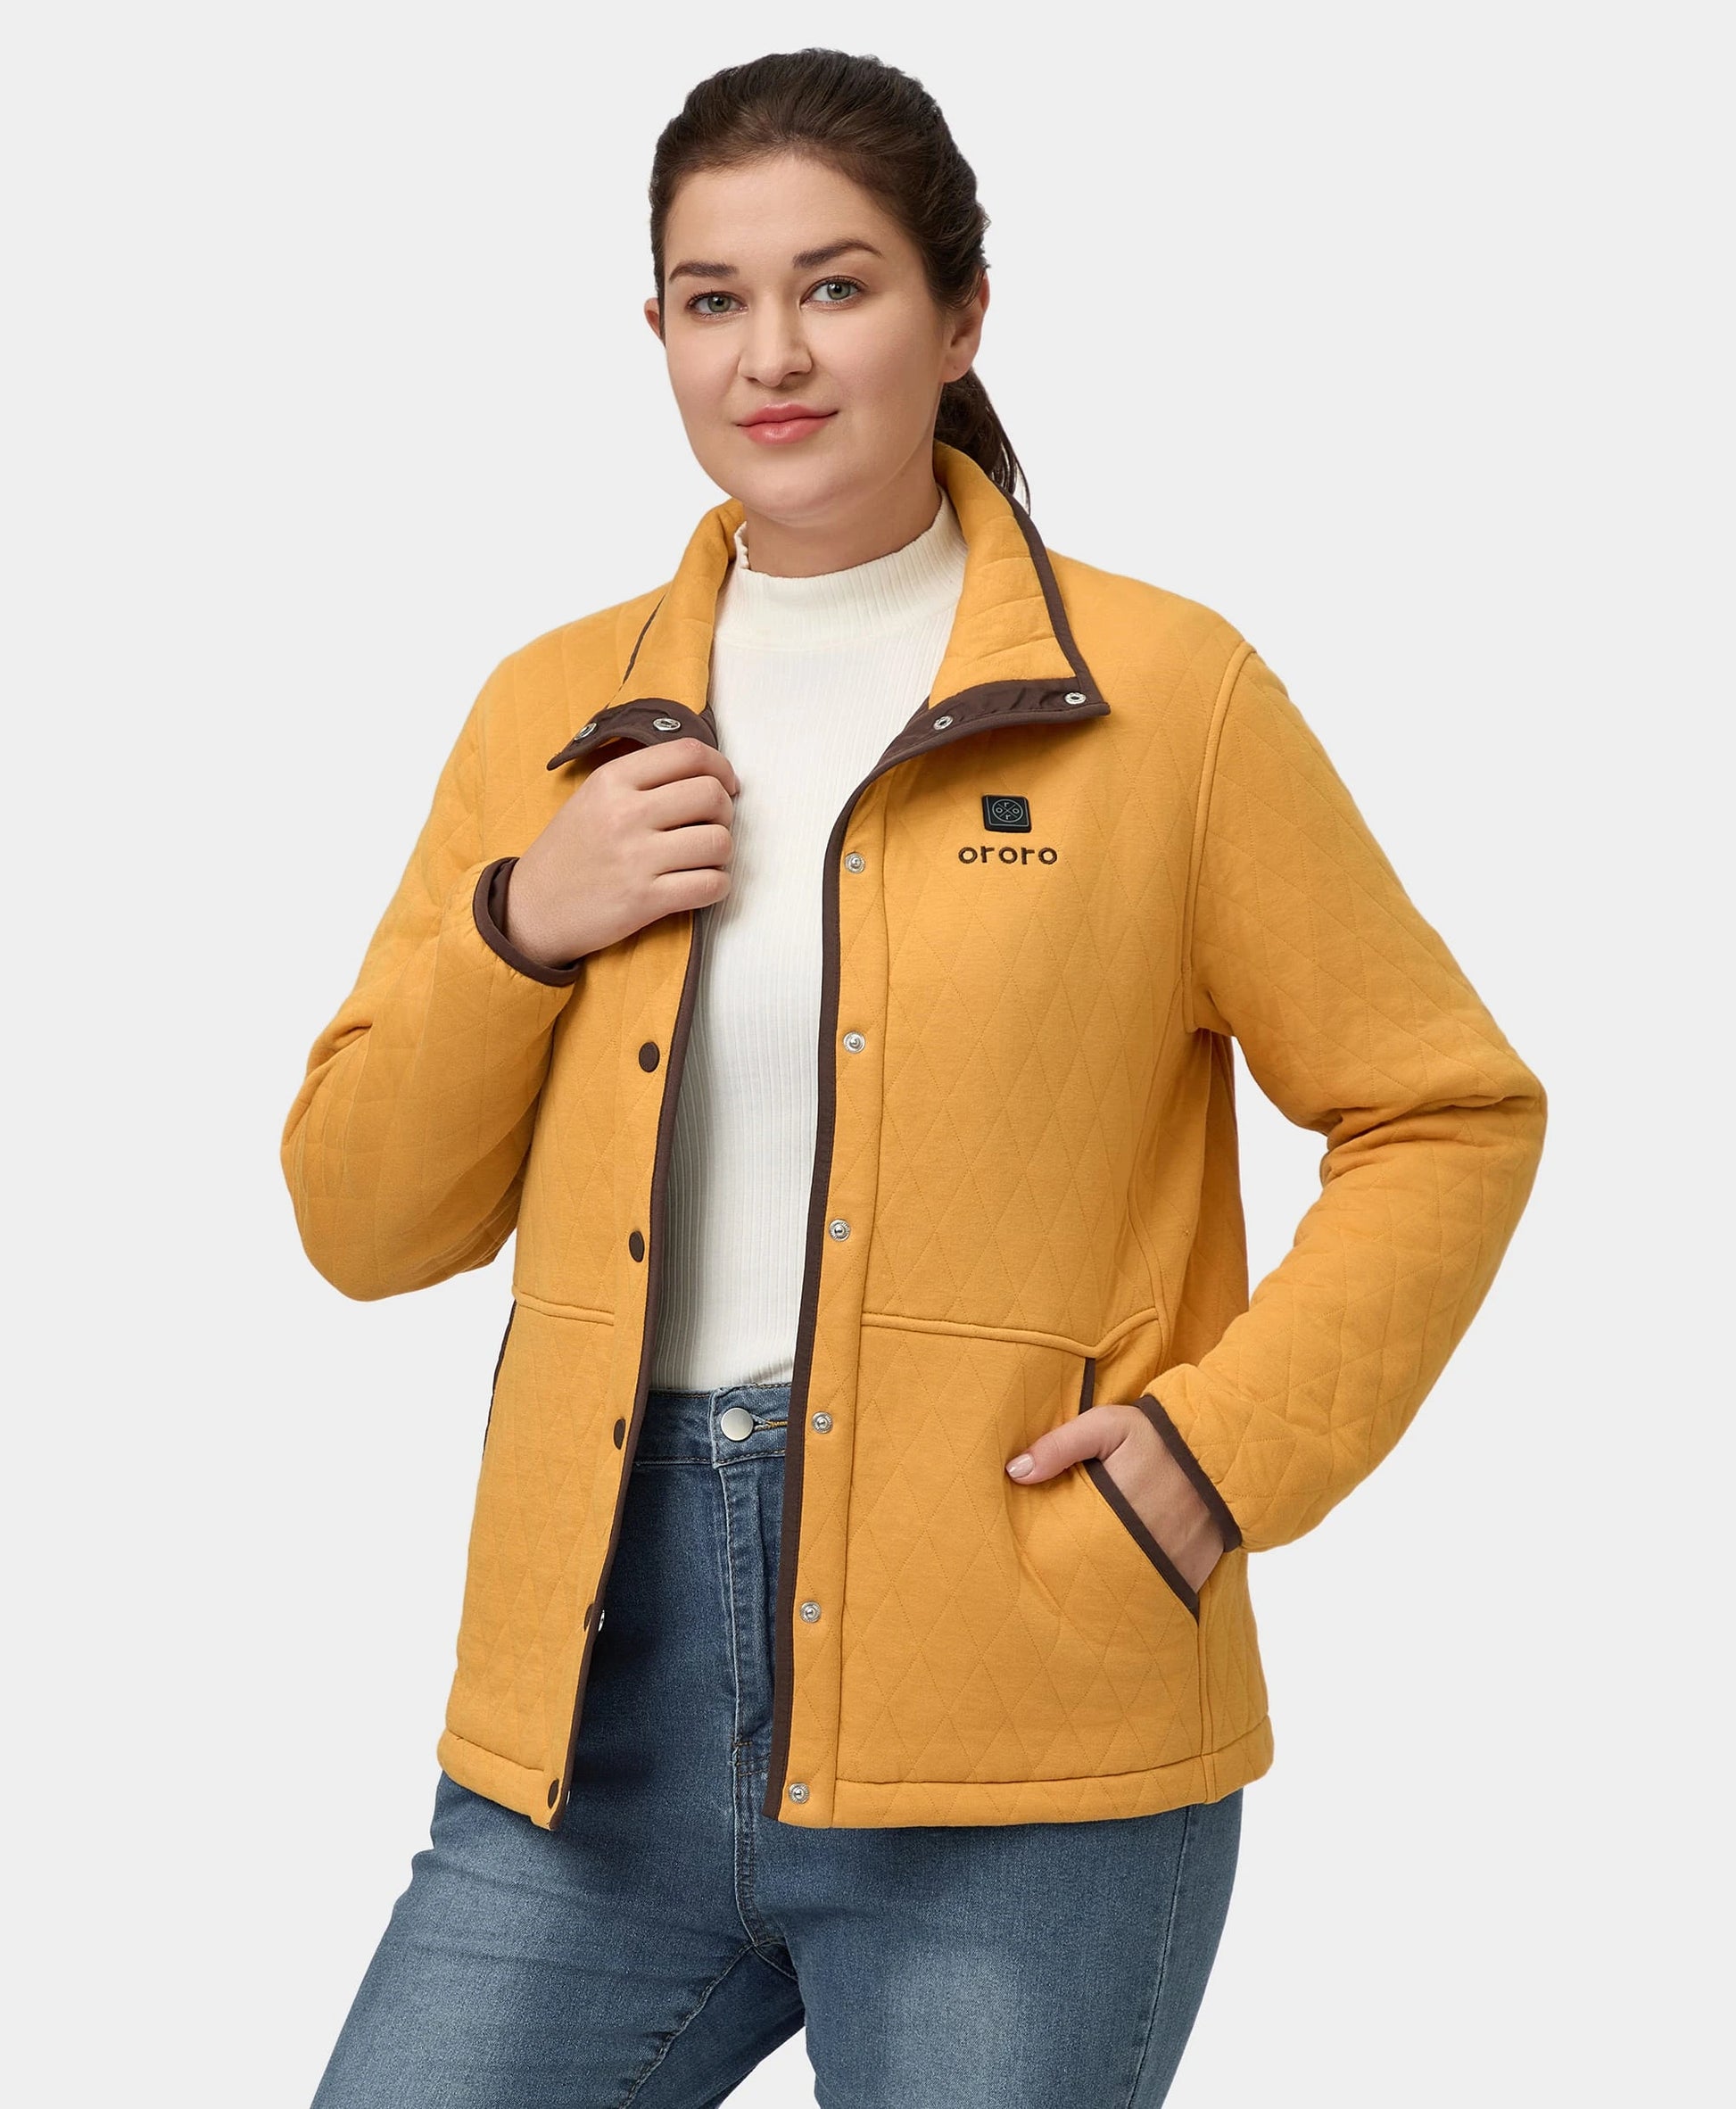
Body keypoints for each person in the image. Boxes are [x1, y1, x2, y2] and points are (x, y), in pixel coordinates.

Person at [284, 46, 1547, 2109]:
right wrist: (525, 919)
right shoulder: (552, 711)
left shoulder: (1165, 698)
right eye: (714, 298)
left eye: (836, 286)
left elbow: (1444, 1111)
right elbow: (360, 1218)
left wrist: (1217, 1458)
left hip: (1022, 1725)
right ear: (657, 329)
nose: (770, 354)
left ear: (958, 318)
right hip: (586, 1721)